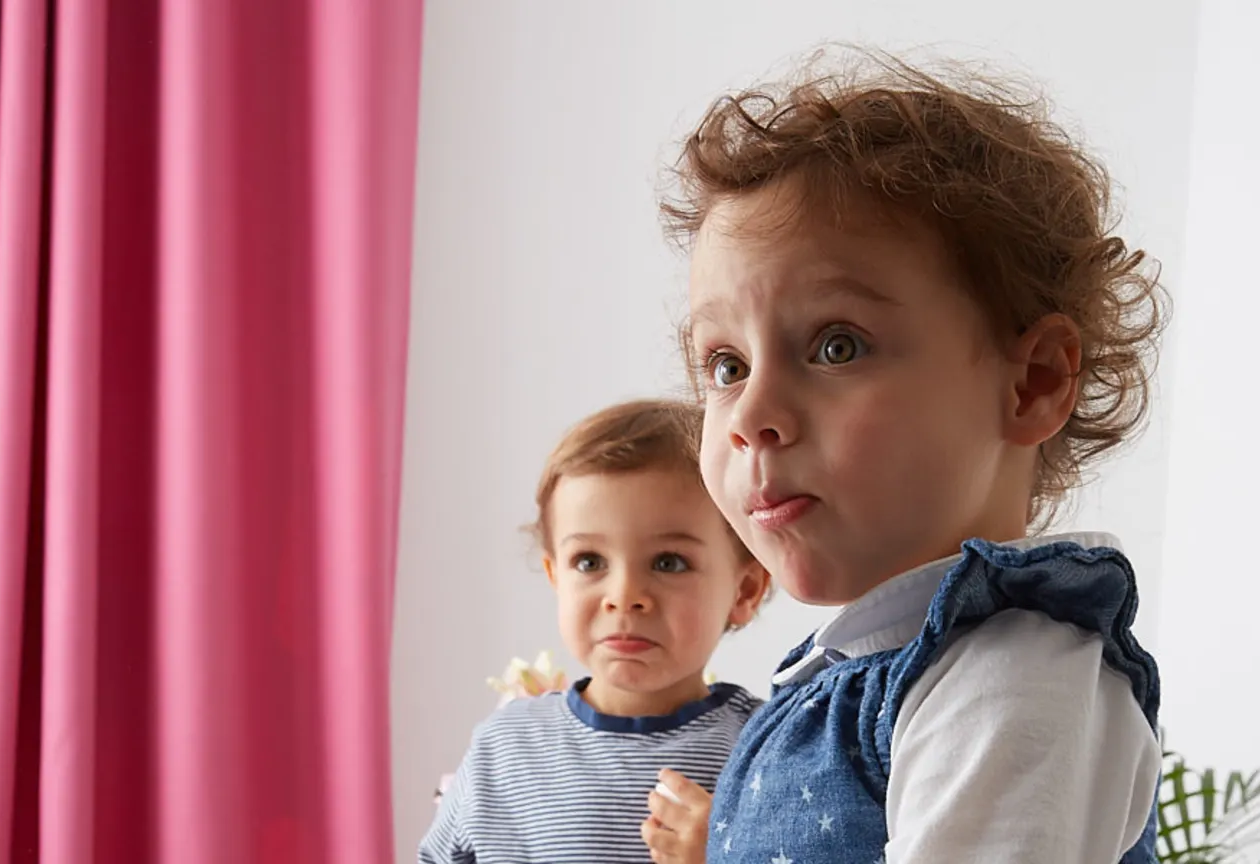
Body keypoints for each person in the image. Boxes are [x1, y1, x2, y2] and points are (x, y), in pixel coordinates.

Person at [664, 46, 1167, 863]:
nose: (750, 415)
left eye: (835, 347)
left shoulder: (1016, 676)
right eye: (727, 366)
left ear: (1033, 383)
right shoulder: (870, 667)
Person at [418, 399, 771, 864]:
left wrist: (728, 855)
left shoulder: (767, 748)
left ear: (744, 590)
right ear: (555, 576)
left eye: (669, 562)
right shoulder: (503, 748)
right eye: (589, 562)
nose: (624, 596)